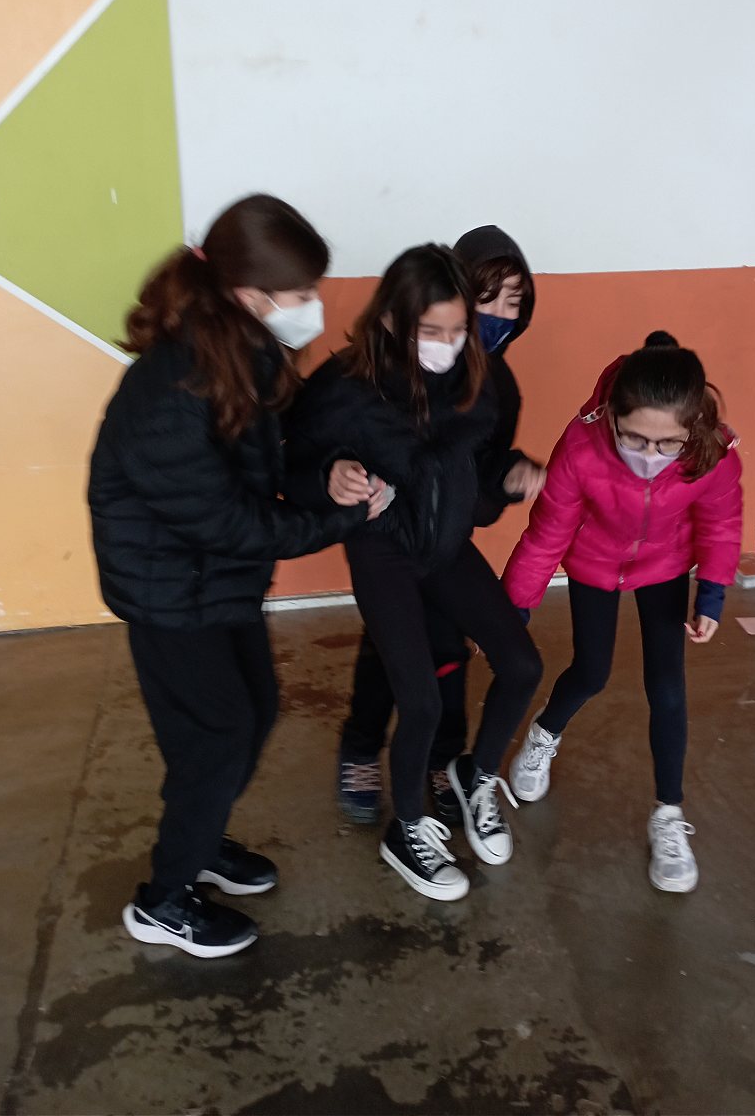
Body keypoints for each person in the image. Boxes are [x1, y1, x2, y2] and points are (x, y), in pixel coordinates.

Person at [88, 194, 379, 957]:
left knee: (252, 712)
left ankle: (200, 836)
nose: (312, 306)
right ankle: (163, 900)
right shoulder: (172, 388)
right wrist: (341, 520)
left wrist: (327, 479)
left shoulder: (242, 348)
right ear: (250, 295)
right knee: (217, 737)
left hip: (215, 578)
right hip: (168, 589)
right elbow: (229, 521)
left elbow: (270, 461)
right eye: (300, 293)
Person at [285, 244, 543, 901]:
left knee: (521, 665)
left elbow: (478, 477)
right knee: (421, 698)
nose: (447, 345)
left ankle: (475, 777)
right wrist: (329, 476)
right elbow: (291, 466)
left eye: (458, 330)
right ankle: (408, 830)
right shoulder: (344, 387)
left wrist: (508, 478)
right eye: (432, 331)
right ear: (393, 320)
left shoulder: (479, 378)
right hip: (383, 551)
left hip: (446, 545)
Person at [502, 332, 743, 894]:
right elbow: (547, 534)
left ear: (693, 429)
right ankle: (544, 734)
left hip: (664, 565)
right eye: (634, 438)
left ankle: (668, 814)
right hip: (594, 561)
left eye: (667, 444)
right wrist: (514, 609)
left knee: (667, 687)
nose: (650, 455)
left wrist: (711, 591)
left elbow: (721, 523)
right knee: (592, 671)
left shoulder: (710, 449)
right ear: (612, 415)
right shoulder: (582, 445)